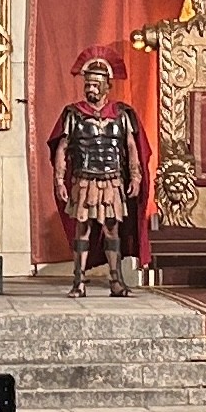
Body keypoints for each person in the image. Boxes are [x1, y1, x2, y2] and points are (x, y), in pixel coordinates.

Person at [49, 46, 151, 296]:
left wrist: (136, 176)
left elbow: (132, 146)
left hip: (112, 181)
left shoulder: (122, 114)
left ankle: (116, 281)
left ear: (107, 86)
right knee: (82, 228)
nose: (91, 89)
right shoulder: (73, 114)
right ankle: (78, 281)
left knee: (111, 229)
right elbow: (62, 147)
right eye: (88, 84)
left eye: (96, 84)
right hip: (84, 180)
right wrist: (59, 180)